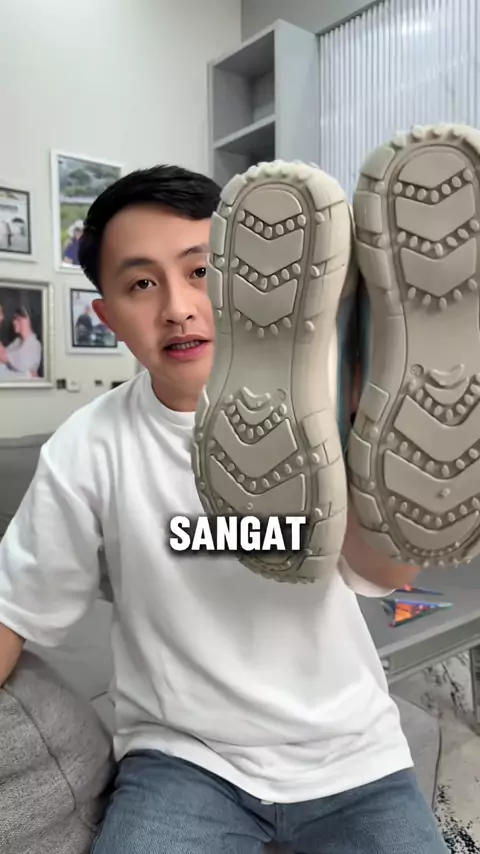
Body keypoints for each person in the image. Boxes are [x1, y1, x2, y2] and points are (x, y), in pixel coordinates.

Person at [0, 164, 447, 853]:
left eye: (202, 271)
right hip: (183, 761)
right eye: (142, 284)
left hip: (353, 753)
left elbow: (388, 575)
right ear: (108, 317)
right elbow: (15, 609)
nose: (177, 307)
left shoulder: (324, 410)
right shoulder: (86, 447)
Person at [0, 306, 42, 378]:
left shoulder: (34, 344)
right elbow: (3, 357)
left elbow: (4, 357)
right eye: (14, 319)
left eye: (18, 319)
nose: (14, 322)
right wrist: (28, 375)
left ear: (28, 321)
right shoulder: (17, 342)